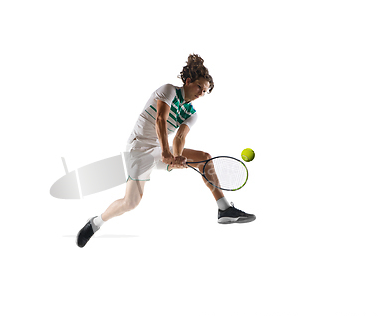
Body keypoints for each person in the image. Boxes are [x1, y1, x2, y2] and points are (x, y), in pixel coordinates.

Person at [77, 54, 255, 247]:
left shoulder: (192, 114)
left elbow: (180, 138)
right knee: (131, 203)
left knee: (204, 159)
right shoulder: (168, 90)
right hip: (138, 149)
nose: (200, 93)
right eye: (198, 87)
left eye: (204, 91)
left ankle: (224, 209)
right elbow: (160, 120)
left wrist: (177, 157)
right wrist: (166, 153)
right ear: (188, 81)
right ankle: (95, 223)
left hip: (158, 149)